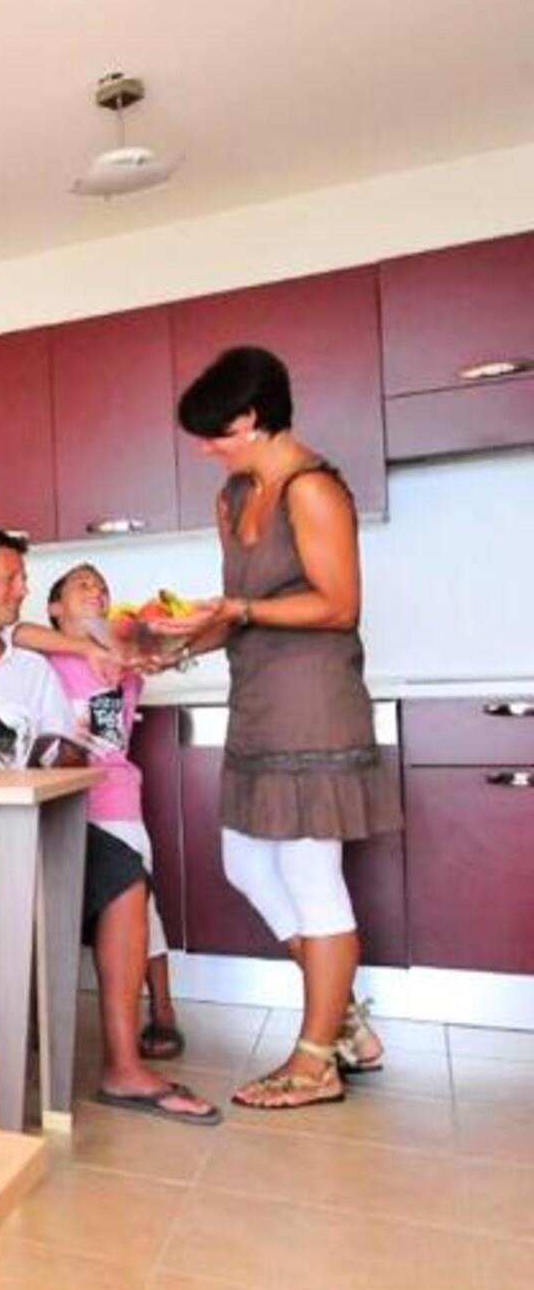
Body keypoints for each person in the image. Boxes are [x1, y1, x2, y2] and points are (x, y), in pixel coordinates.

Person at [0, 532, 218, 1125]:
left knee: (126, 876)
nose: (21, 589)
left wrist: (51, 751)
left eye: (24, 579)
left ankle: (123, 1066)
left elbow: (67, 748)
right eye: (12, 578)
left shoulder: (33, 671)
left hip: (30, 826)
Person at [157, 346, 400, 1110]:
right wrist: (167, 648)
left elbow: (338, 603)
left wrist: (240, 609)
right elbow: (235, 613)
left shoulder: (313, 489)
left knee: (309, 875)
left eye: (216, 433)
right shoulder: (233, 496)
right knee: (245, 862)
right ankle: (346, 1018)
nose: (206, 448)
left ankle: (315, 1059)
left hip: (315, 704)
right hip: (257, 704)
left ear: (254, 417)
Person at [13, 562, 185, 1061]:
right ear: (54, 606)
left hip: (112, 797)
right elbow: (14, 630)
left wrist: (142, 648)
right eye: (82, 584)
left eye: (102, 587)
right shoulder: (38, 660)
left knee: (137, 901)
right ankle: (32, 1015)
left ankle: (163, 1009)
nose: (96, 590)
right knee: (38, 905)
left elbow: (107, 742)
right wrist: (84, 648)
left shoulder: (122, 656)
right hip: (51, 800)